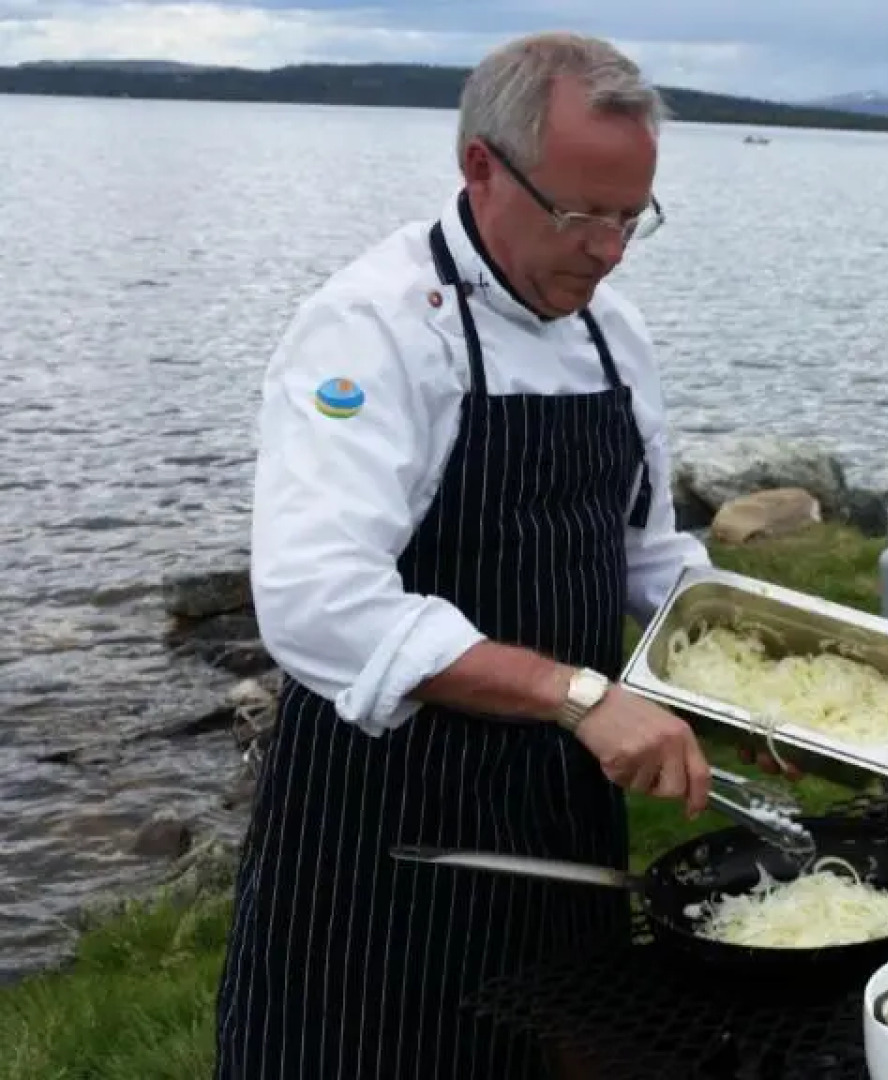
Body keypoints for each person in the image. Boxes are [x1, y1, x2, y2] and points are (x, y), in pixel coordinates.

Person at [216, 32, 735, 1079]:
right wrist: (580, 694)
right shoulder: (370, 330)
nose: (608, 251)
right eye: (581, 214)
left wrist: (752, 676)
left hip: (562, 797)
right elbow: (320, 602)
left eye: (633, 218)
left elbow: (645, 554)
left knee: (558, 1047)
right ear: (481, 166)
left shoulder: (612, 334)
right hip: (388, 825)